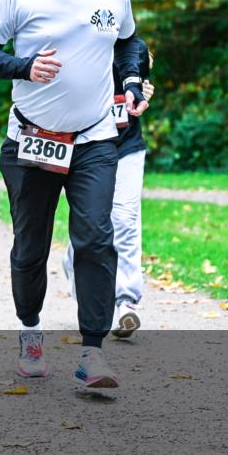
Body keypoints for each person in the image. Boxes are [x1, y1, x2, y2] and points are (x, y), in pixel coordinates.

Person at [0, 0, 147, 388]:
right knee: (30, 247)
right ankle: (30, 332)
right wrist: (24, 67)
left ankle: (94, 351)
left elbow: (129, 43)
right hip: (31, 141)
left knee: (95, 238)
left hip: (93, 139)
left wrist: (131, 81)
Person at [64, 47, 156, 338]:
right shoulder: (76, 43)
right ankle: (77, 270)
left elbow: (145, 62)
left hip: (126, 146)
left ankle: (126, 301)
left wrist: (141, 91)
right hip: (86, 147)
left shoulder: (134, 49)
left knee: (126, 219)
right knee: (90, 224)